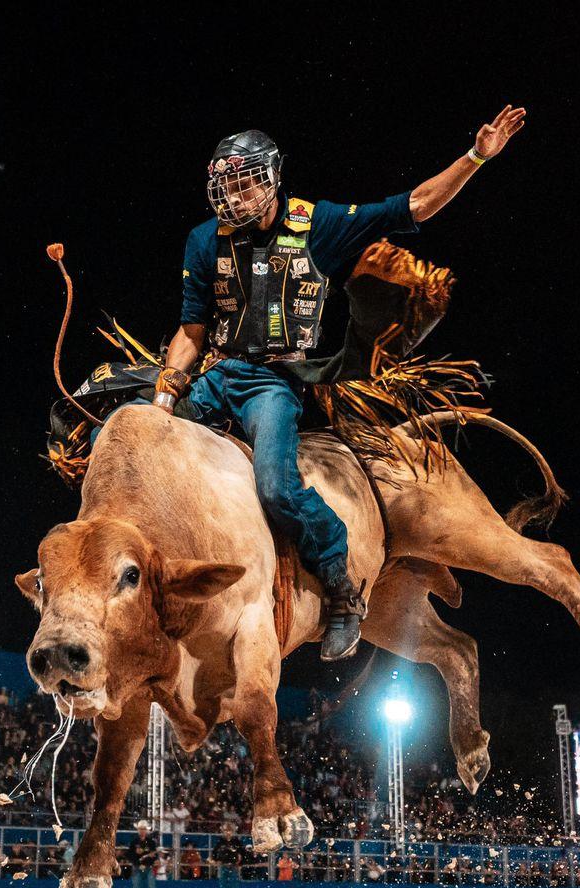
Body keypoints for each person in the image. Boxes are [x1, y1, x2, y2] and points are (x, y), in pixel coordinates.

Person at [152, 106, 528, 661]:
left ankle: (341, 587)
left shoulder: (318, 224)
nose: (234, 196)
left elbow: (414, 205)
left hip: (271, 385)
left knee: (277, 487)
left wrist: (475, 157)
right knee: (130, 439)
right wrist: (162, 402)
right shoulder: (205, 241)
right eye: (225, 186)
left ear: (271, 178)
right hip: (218, 375)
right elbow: (191, 330)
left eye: (244, 182)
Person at [126, 819, 161, 888]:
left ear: (146, 830)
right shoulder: (134, 842)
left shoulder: (151, 843)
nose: (142, 831)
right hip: (137, 869)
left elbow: (154, 856)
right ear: (138, 830)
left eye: (143, 829)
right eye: (140, 829)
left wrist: (153, 861)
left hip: (148, 868)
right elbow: (129, 855)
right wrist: (137, 863)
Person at [209, 821, 245, 888]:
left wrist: (240, 863)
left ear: (232, 831)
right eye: (226, 830)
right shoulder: (220, 842)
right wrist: (214, 862)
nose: (228, 832)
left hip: (233, 867)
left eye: (230, 830)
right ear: (223, 831)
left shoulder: (236, 842)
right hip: (224, 867)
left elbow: (243, 855)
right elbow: (213, 856)